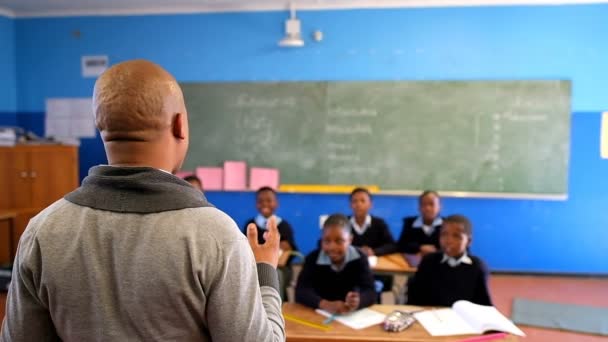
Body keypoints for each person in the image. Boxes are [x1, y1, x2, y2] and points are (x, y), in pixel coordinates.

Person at [0, 59, 284, 342]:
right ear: (180, 124)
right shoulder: (216, 235)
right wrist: (265, 272)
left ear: (100, 124)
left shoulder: (42, 231)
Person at [295, 214, 375, 314]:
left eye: (339, 241)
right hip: (320, 314)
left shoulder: (360, 258)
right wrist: (325, 304)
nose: (332, 247)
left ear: (350, 240)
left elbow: (370, 291)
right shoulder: (313, 258)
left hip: (349, 316)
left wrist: (359, 301)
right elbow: (301, 291)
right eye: (327, 241)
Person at [407, 214, 492, 307]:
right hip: (429, 316)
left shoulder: (477, 267)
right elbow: (415, 298)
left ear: (468, 241)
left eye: (456, 236)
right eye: (444, 234)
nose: (448, 240)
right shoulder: (429, 261)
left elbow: (484, 305)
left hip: (461, 318)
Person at [244, 186, 299, 301]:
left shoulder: (283, 226)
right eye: (260, 201)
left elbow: (288, 251)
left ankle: (278, 306)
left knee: (276, 274)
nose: (265, 204)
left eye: (269, 200)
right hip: (253, 264)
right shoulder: (250, 225)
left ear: (276, 203)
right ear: (256, 204)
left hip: (280, 267)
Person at [348, 187, 394, 256]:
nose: (358, 204)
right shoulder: (343, 223)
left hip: (374, 263)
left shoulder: (379, 223)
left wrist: (374, 251)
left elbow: (392, 245)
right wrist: (358, 250)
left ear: (370, 205)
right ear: (350, 205)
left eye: (363, 201)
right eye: (354, 201)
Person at [396, 190, 443, 255]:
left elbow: (451, 247)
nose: (427, 208)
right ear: (419, 207)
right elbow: (401, 245)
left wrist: (434, 252)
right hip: (413, 262)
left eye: (431, 204)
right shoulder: (410, 223)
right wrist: (419, 248)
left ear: (440, 207)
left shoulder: (447, 225)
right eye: (424, 204)